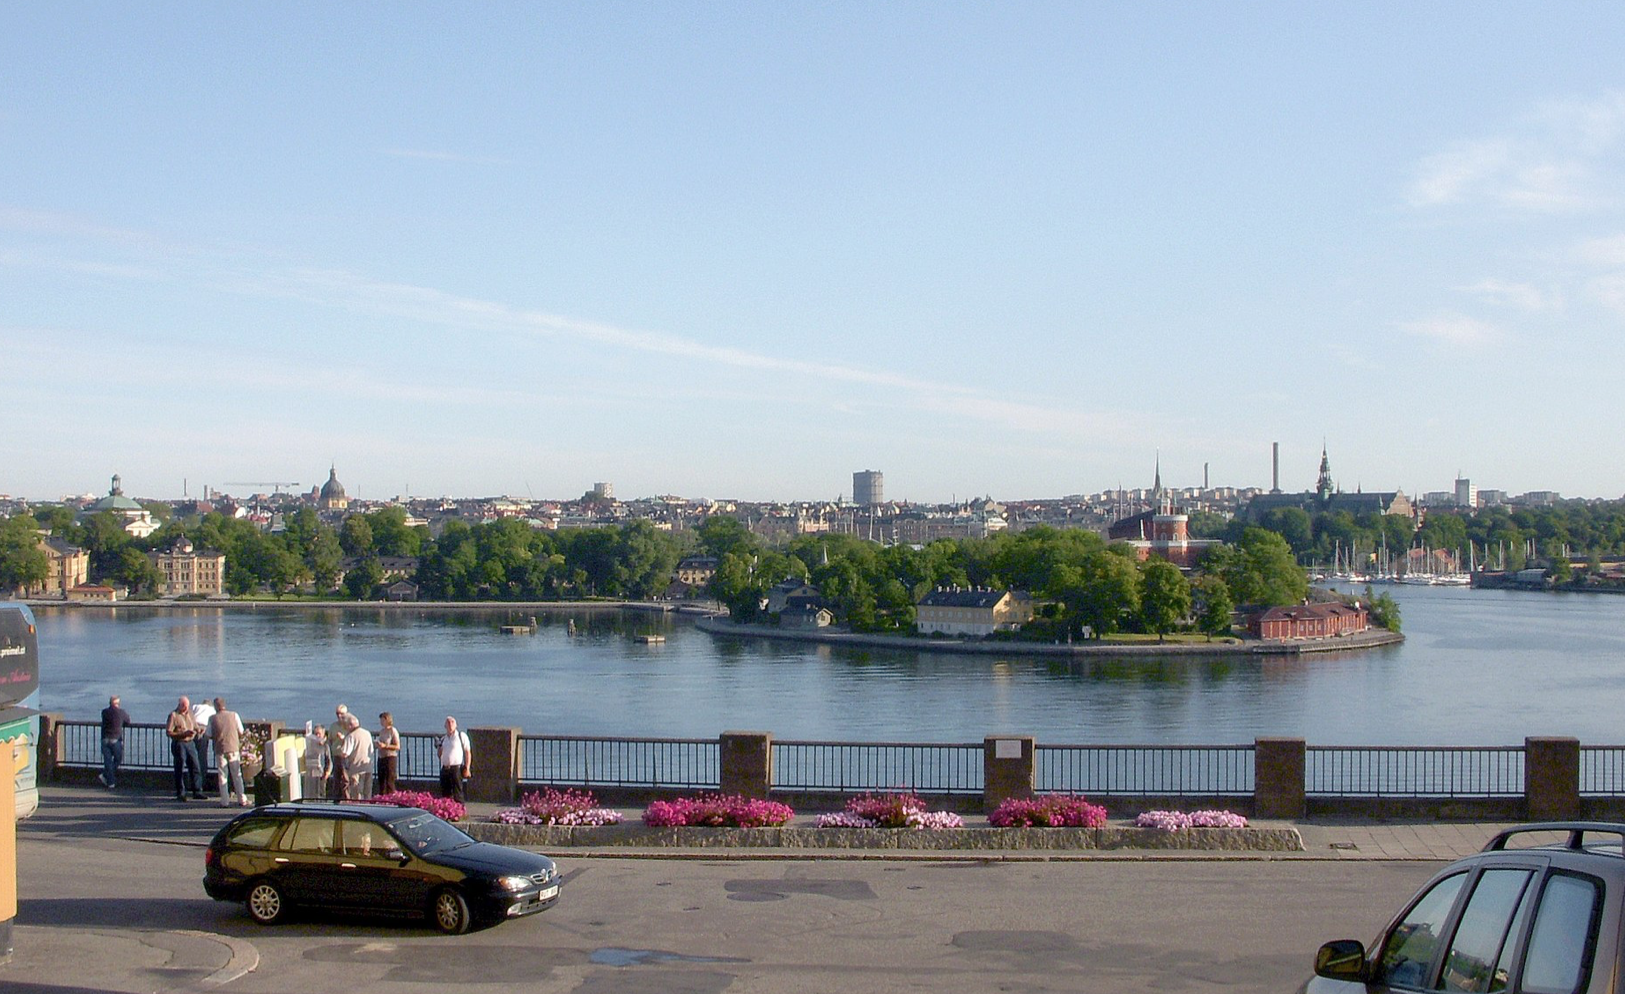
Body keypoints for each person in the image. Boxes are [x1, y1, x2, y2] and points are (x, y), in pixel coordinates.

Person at [207, 697, 250, 807]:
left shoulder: (212, 718)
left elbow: (208, 734)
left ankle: (225, 801)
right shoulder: (234, 715)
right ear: (224, 705)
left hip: (220, 749)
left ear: (215, 706)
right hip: (233, 748)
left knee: (222, 776)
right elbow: (241, 731)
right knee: (237, 775)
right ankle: (241, 798)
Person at [165, 697, 206, 801]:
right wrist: (183, 734)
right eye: (184, 706)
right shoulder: (173, 715)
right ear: (180, 705)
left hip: (190, 743)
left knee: (195, 766)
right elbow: (169, 732)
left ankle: (197, 791)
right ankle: (181, 793)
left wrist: (199, 730)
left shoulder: (190, 714)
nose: (186, 708)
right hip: (179, 743)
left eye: (187, 706)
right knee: (180, 768)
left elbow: (195, 726)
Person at [98, 695, 131, 789]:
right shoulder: (121, 712)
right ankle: (108, 779)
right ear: (117, 704)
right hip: (115, 739)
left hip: (104, 739)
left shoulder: (104, 712)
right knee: (118, 759)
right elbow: (128, 721)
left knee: (107, 761)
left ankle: (108, 779)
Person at [437, 715, 471, 802]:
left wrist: (467, 767)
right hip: (445, 768)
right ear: (445, 726)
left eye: (452, 722)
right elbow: (439, 755)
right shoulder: (443, 739)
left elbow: (467, 752)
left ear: (456, 725)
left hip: (456, 768)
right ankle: (448, 811)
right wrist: (439, 747)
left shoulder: (461, 736)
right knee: (445, 794)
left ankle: (460, 811)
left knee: (458, 793)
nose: (450, 724)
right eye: (448, 723)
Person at [190, 696, 218, 791]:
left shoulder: (196, 706)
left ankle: (193, 782)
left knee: (193, 756)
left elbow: (191, 715)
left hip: (193, 728)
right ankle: (202, 782)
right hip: (204, 729)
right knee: (202, 757)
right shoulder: (212, 709)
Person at [344, 713, 374, 799]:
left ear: (350, 725)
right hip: (367, 767)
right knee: (367, 791)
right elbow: (371, 749)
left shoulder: (351, 736)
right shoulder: (367, 733)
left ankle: (358, 808)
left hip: (355, 768)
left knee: (356, 792)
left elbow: (346, 752)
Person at [327, 704, 351, 802]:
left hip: (346, 755)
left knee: (346, 779)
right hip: (336, 755)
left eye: (341, 714)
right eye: (337, 714)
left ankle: (347, 799)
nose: (339, 716)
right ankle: (336, 799)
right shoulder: (333, 726)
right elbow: (330, 739)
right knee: (336, 778)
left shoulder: (349, 726)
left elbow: (353, 740)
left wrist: (343, 739)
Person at [374, 711, 400, 796]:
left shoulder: (393, 730)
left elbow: (397, 746)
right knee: (381, 781)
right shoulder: (382, 731)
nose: (381, 722)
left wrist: (385, 746)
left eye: (382, 720)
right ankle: (382, 798)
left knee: (389, 780)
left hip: (390, 757)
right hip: (381, 757)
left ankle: (391, 798)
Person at [303, 724, 331, 800]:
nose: (317, 736)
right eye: (316, 734)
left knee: (320, 792)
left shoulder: (326, 745)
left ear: (323, 734)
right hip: (311, 771)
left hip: (321, 772)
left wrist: (327, 773)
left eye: (319, 734)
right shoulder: (311, 744)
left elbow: (329, 760)